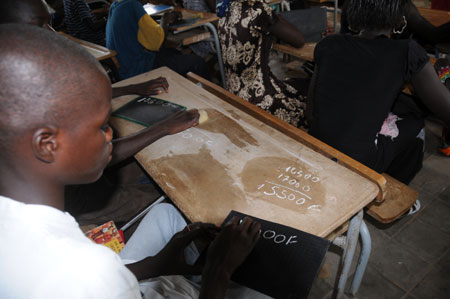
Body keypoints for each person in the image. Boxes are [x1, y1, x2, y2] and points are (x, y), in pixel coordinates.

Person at [0, 23, 261, 298]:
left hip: (124, 277)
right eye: (101, 127)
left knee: (166, 214)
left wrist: (155, 265)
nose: (111, 134)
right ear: (47, 144)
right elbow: (100, 280)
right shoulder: (89, 271)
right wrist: (218, 270)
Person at [0, 0, 205, 216]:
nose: (51, 33)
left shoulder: (21, 81)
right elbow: (94, 154)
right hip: (81, 199)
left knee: (163, 164)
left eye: (49, 24)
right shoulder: (22, 100)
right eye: (39, 25)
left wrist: (132, 88)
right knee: (178, 198)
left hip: (86, 176)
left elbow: (84, 101)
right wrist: (162, 127)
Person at [308, 0, 450, 187]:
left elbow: (310, 112)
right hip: (360, 161)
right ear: (400, 17)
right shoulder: (407, 52)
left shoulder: (328, 44)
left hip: (317, 142)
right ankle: (394, 188)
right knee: (416, 124)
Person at [217, 0, 310, 128]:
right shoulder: (258, 10)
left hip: (235, 94)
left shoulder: (227, 9)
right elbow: (299, 40)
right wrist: (271, 13)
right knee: (307, 101)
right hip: (260, 100)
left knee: (294, 85)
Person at [106, 0, 208, 80]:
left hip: (124, 68)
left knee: (173, 52)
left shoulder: (116, 5)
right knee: (197, 63)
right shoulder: (132, 5)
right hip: (138, 70)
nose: (146, 2)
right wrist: (165, 20)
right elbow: (158, 42)